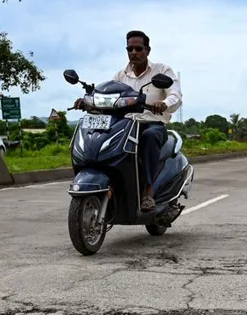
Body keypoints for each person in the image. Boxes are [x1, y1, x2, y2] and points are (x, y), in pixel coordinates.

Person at [74, 30, 182, 212]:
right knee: (99, 138)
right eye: (130, 49)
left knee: (149, 136)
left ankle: (148, 191)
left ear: (147, 50)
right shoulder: (120, 76)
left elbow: (176, 95)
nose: (134, 52)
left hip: (151, 124)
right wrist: (87, 102)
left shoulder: (162, 71)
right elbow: (105, 97)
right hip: (124, 125)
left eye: (138, 48)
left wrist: (163, 104)